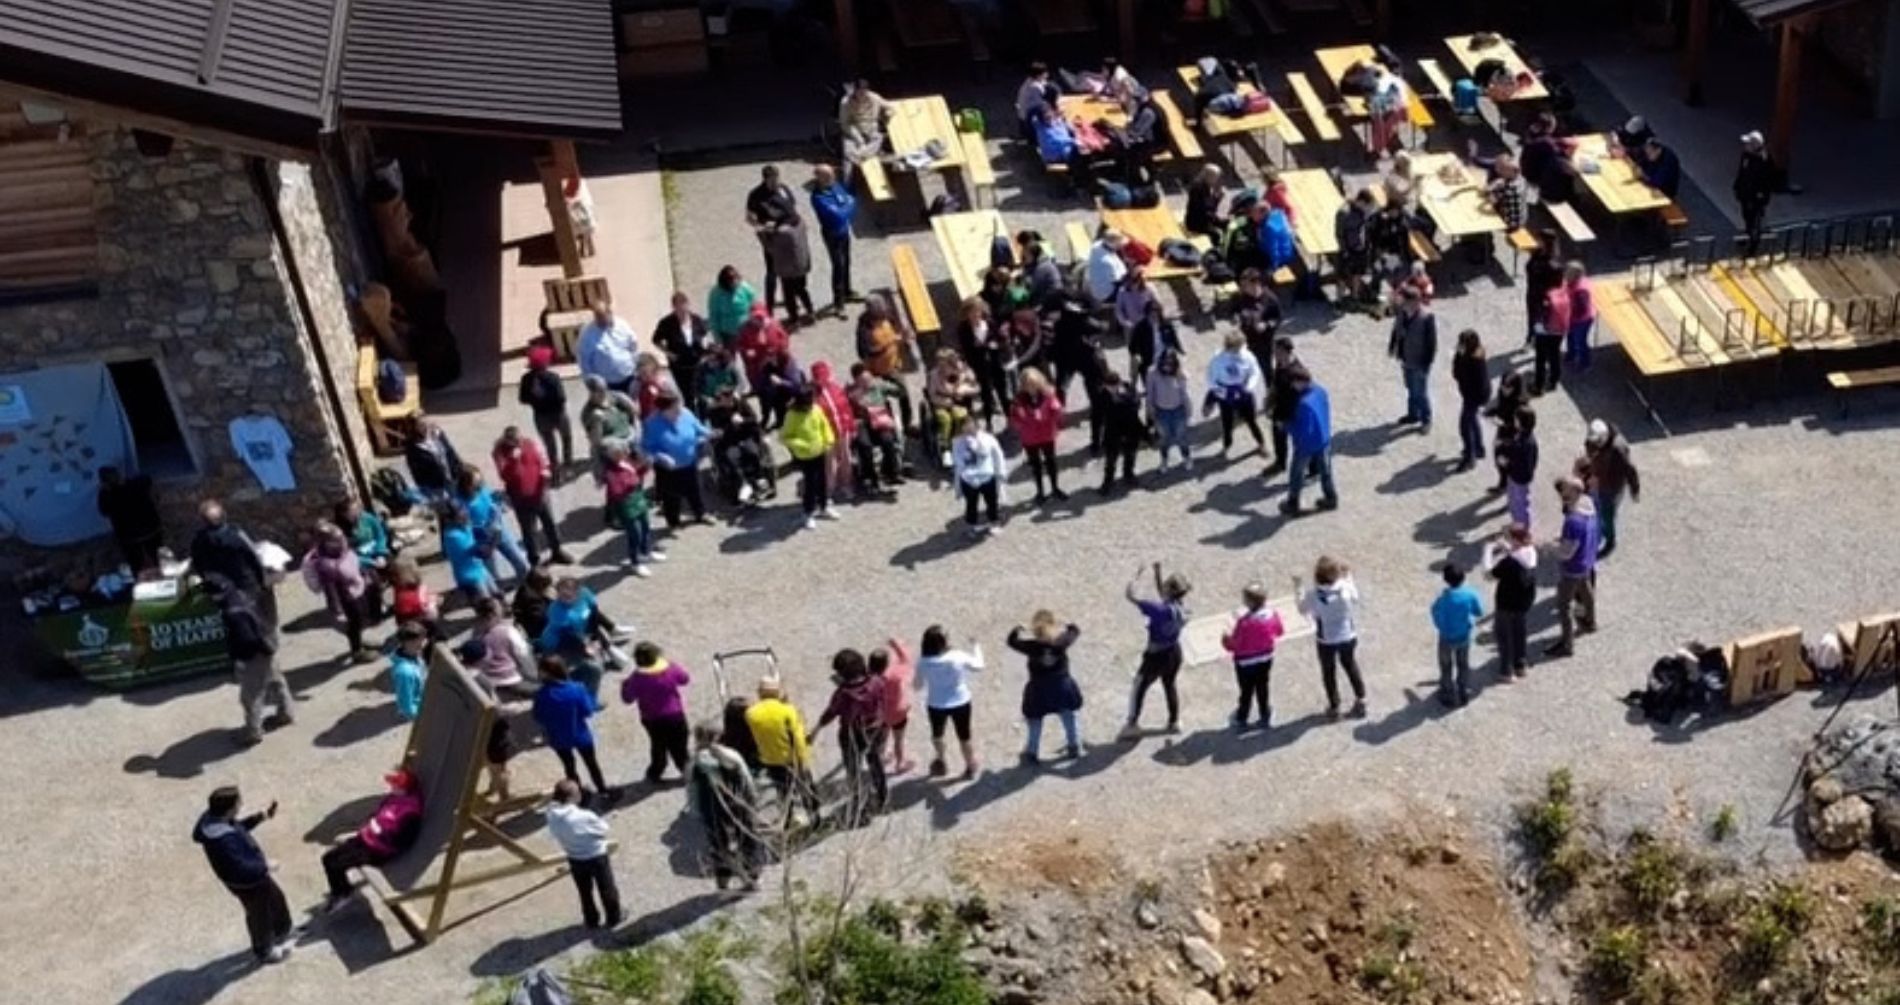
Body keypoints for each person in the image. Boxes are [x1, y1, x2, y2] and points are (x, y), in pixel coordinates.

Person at [192, 786, 293, 963]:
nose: (241, 805)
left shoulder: (216, 819)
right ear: (229, 809)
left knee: (277, 899)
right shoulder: (223, 841)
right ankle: (264, 950)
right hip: (247, 883)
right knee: (259, 916)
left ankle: (283, 931)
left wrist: (260, 817)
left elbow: (238, 828)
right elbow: (239, 867)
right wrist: (265, 866)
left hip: (256, 878)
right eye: (238, 802)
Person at [318, 768, 423, 911]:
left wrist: (383, 837)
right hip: (367, 838)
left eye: (396, 786)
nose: (392, 787)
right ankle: (341, 890)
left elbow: (405, 840)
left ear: (404, 789)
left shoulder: (410, 813)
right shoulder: (393, 798)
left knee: (336, 865)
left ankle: (343, 894)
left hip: (379, 850)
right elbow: (378, 814)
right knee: (328, 858)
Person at [810, 648, 889, 826]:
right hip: (875, 731)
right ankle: (882, 796)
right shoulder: (877, 682)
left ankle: (861, 809)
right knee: (876, 763)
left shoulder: (843, 694)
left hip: (851, 735)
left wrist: (816, 730)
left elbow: (831, 713)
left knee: (853, 771)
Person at [209, 574, 290, 745]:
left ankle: (252, 731)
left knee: (251, 695)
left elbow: (246, 639)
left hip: (255, 653)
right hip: (268, 641)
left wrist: (241, 657)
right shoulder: (243, 596)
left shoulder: (231, 612)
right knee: (275, 680)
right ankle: (285, 713)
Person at [688, 720, 762, 891]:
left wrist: (696, 811)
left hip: (714, 808)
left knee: (720, 844)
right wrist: (753, 798)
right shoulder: (726, 756)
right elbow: (744, 775)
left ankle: (726, 878)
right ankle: (750, 875)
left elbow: (692, 790)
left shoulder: (697, 762)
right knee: (745, 838)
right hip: (734, 804)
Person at [1121, 563, 1189, 738]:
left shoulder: (1157, 609)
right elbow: (1164, 596)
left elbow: (1131, 596)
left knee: (1139, 686)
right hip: (1174, 652)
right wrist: (1158, 574)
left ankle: (1132, 724)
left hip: (1155, 656)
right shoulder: (1179, 608)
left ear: (1170, 590)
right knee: (1169, 684)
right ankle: (1174, 721)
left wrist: (1134, 578)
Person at [1008, 611, 1083, 764]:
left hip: (1038, 689)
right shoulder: (1061, 643)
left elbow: (1012, 642)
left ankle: (1032, 752)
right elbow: (1075, 631)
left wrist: (1016, 630)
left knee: (1035, 721)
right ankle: (1073, 746)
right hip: (1061, 685)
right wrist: (1067, 624)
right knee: (1068, 716)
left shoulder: (1031, 647)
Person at [1296, 556, 1366, 720]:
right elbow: (1355, 597)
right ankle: (1361, 699)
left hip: (1326, 639)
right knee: (1350, 666)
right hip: (1347, 635)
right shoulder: (1345, 589)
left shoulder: (1314, 595)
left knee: (1329, 672)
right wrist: (1348, 576)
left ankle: (1334, 707)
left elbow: (1302, 609)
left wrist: (1298, 588)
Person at [545, 779, 621, 928]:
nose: (580, 794)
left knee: (585, 892)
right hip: (595, 856)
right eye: (577, 792)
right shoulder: (584, 816)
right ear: (570, 797)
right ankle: (613, 917)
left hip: (574, 857)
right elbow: (603, 830)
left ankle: (591, 919)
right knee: (606, 887)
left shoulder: (552, 815)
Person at [191, 499, 275, 632]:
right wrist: (261, 580)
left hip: (220, 588)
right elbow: (253, 557)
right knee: (254, 614)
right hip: (245, 584)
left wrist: (208, 583)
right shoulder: (235, 534)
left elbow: (198, 565)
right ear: (224, 515)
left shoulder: (199, 541)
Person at [912, 625, 984, 779]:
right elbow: (979, 666)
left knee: (937, 735)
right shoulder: (957, 656)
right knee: (964, 737)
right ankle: (970, 765)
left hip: (936, 704)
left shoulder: (923, 661)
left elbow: (917, 686)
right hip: (961, 701)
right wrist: (976, 646)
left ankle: (941, 760)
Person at [494, 426, 572, 567]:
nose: (519, 443)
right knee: (529, 531)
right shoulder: (500, 452)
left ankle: (557, 550)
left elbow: (542, 458)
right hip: (521, 498)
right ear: (507, 440)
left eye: (520, 440)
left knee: (550, 523)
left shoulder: (529, 442)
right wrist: (513, 460)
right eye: (515, 442)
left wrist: (545, 470)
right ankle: (535, 561)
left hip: (540, 492)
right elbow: (504, 475)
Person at [534, 654, 610, 795]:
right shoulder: (577, 688)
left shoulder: (541, 695)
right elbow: (588, 711)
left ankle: (577, 794)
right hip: (580, 734)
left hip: (558, 738)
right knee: (592, 763)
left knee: (569, 766)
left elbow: (539, 717)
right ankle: (602, 789)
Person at [745, 677, 819, 819]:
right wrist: (802, 760)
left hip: (770, 759)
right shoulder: (787, 710)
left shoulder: (751, 713)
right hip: (791, 758)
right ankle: (813, 815)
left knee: (783, 790)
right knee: (805, 787)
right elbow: (798, 739)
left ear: (760, 693)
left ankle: (788, 817)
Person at [301, 521, 374, 662]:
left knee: (361, 620)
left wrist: (364, 575)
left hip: (357, 589)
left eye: (341, 537)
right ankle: (357, 651)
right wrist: (338, 610)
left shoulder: (341, 550)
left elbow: (354, 561)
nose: (342, 541)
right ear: (326, 543)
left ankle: (359, 640)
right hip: (347, 598)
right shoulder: (325, 564)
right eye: (337, 540)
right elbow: (331, 590)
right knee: (354, 622)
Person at [621, 641, 691, 784]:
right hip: (675, 716)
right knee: (681, 749)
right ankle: (688, 773)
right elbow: (685, 679)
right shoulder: (670, 669)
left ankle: (655, 773)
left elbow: (627, 699)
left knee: (658, 747)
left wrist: (624, 685)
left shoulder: (637, 678)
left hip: (653, 720)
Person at [1545, 476, 1600, 659]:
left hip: (1573, 566)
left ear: (1576, 493)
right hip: (1587, 558)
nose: (1563, 496)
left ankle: (1567, 644)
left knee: (1563, 605)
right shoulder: (1588, 504)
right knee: (1585, 589)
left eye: (1566, 494)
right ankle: (1590, 621)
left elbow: (1566, 552)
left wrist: (1549, 548)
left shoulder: (1573, 521)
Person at [640, 392, 710, 530]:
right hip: (668, 468)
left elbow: (698, 427)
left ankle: (700, 514)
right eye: (675, 409)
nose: (679, 412)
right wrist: (661, 457)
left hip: (690, 463)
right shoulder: (652, 424)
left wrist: (708, 433)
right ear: (662, 410)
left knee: (694, 490)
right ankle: (673, 522)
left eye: (679, 407)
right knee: (671, 496)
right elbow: (647, 448)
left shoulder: (685, 413)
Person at [1222, 583, 1284, 731]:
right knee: (1262, 686)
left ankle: (1242, 717)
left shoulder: (1244, 623)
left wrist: (1225, 640)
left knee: (1246, 690)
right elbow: (1280, 631)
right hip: (1265, 659)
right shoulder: (1272, 615)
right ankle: (1265, 714)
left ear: (1249, 602)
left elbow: (1235, 644)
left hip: (1245, 663)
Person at [455, 466, 530, 586]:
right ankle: (498, 593)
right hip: (482, 541)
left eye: (480, 481)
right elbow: (465, 527)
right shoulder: (460, 503)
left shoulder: (482, 490)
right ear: (466, 485)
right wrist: (483, 538)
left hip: (498, 532)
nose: (480, 485)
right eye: (476, 483)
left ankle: (525, 585)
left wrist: (499, 508)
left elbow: (492, 504)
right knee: (491, 575)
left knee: (522, 564)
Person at [780, 387, 839, 530]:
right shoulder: (792, 415)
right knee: (810, 484)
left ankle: (824, 506)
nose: (811, 404)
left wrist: (829, 440)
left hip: (820, 451)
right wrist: (802, 445)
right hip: (805, 456)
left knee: (822, 480)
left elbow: (824, 425)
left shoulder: (816, 409)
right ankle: (808, 513)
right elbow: (785, 437)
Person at [1484, 524, 1538, 678]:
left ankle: (1506, 671)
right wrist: (1506, 547)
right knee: (1519, 632)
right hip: (1524, 601)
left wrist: (1488, 550)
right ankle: (1520, 664)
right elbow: (1518, 552)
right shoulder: (1531, 553)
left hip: (1506, 602)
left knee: (1504, 635)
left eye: (1507, 537)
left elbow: (1489, 574)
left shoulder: (1508, 563)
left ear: (1515, 540)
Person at [1281, 373, 1338, 516]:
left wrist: (1285, 426)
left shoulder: (1302, 404)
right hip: (1323, 439)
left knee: (1297, 473)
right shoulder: (1320, 391)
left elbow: (1303, 429)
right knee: (1326, 472)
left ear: (1299, 382)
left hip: (1306, 446)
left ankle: (1293, 503)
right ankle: (1331, 497)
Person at [707, 386, 776, 504]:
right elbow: (718, 430)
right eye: (725, 399)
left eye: (730, 398)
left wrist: (743, 421)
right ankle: (743, 483)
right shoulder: (715, 412)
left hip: (745, 436)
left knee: (753, 452)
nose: (728, 401)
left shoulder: (741, 404)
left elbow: (753, 419)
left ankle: (759, 479)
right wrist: (730, 423)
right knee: (733, 458)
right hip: (729, 440)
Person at [745, 165, 800, 312]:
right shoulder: (756, 195)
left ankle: (790, 300)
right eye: (772, 179)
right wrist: (760, 225)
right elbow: (750, 218)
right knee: (772, 271)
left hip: (790, 235)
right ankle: (770, 305)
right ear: (765, 179)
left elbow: (793, 207)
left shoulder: (783, 189)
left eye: (777, 178)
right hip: (772, 238)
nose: (776, 182)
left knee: (790, 270)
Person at [1431, 563, 1486, 707]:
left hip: (1446, 636)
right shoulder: (1470, 594)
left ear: (1445, 579)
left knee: (1446, 665)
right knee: (1463, 663)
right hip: (1464, 635)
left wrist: (1439, 625)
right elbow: (1479, 611)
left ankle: (1447, 693)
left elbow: (1434, 611)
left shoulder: (1444, 598)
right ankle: (1464, 691)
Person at [601, 442, 660, 576]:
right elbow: (617, 490)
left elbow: (636, 474)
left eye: (622, 452)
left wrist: (646, 467)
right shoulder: (611, 471)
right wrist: (632, 482)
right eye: (617, 453)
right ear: (611, 456)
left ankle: (646, 553)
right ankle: (635, 562)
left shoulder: (626, 463)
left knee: (645, 527)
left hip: (638, 500)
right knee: (635, 535)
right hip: (626, 506)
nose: (623, 454)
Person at [1585, 419, 1641, 558]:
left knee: (1607, 514)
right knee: (1598, 508)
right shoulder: (1595, 440)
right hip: (1600, 481)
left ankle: (1610, 542)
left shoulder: (1618, 448)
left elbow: (1630, 470)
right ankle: (1600, 529)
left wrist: (1635, 489)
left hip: (1612, 487)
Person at [1010, 367, 1066, 504]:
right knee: (1036, 465)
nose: (1031, 387)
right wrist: (1024, 420)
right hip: (1030, 437)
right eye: (1028, 384)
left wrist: (1055, 413)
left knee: (1051, 462)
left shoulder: (1047, 394)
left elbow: (1056, 409)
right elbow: (1015, 419)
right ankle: (1040, 491)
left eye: (1034, 384)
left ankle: (1055, 488)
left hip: (1047, 433)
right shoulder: (1019, 399)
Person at [652, 291, 712, 417]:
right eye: (678, 309)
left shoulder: (696, 320)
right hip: (680, 366)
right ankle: (692, 417)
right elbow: (656, 340)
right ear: (673, 308)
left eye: (684, 308)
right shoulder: (667, 323)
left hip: (697, 362)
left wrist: (705, 350)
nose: (682, 312)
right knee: (687, 394)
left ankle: (704, 417)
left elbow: (704, 334)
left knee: (701, 392)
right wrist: (668, 353)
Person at [1206, 332, 1266, 455]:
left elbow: (1255, 372)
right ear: (1229, 346)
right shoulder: (1218, 359)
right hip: (1226, 395)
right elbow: (1211, 378)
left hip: (1244, 392)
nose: (1241, 349)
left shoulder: (1247, 355)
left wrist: (1249, 387)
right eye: (1237, 347)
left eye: (1241, 346)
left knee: (1251, 421)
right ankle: (1227, 446)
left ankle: (1261, 444)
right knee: (1227, 423)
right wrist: (1222, 391)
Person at [956, 298, 1011, 429]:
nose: (975, 315)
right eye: (972, 312)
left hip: (995, 361)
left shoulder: (989, 323)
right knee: (985, 393)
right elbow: (965, 348)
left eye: (978, 311)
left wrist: (997, 343)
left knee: (1002, 391)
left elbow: (1000, 340)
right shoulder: (963, 328)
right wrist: (976, 347)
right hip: (979, 365)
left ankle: (1010, 419)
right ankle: (988, 422)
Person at [810, 164, 858, 313]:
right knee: (838, 266)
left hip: (844, 231)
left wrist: (846, 206)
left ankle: (847, 291)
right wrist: (847, 206)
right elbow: (839, 215)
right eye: (830, 176)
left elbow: (851, 201)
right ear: (821, 178)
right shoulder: (818, 197)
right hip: (832, 234)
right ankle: (838, 303)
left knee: (847, 261)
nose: (834, 178)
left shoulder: (835, 186)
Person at [518, 344, 573, 472]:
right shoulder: (553, 377)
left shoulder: (526, 379)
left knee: (549, 444)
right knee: (566, 438)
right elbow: (561, 397)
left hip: (540, 416)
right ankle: (568, 463)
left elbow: (522, 399)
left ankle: (555, 468)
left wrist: (536, 401)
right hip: (559, 414)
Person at [1388, 288, 1438, 429]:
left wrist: (1426, 364)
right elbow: (1396, 329)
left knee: (1420, 392)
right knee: (1410, 388)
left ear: (1414, 302)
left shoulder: (1427, 318)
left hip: (1419, 361)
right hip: (1406, 358)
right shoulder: (1402, 313)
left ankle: (1426, 419)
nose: (1402, 304)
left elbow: (1431, 344)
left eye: (1405, 301)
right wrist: (1392, 346)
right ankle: (1412, 415)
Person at [951, 413, 1007, 536]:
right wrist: (965, 465)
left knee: (992, 502)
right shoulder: (957, 442)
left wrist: (1001, 472)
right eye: (964, 426)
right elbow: (957, 459)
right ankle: (972, 525)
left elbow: (994, 454)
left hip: (987, 475)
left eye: (970, 425)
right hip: (969, 479)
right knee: (971, 504)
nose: (967, 428)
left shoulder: (987, 438)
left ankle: (994, 522)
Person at [97, 466, 163, 571]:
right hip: (151, 529)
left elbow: (104, 511)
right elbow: (147, 479)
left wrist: (104, 490)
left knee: (137, 565)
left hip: (129, 537)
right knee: (159, 559)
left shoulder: (107, 496)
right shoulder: (136, 484)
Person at [810, 361, 859, 501]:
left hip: (842, 430)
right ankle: (829, 489)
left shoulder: (836, 388)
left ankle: (846, 485)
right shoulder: (813, 396)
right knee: (829, 464)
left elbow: (847, 409)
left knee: (846, 458)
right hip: (826, 435)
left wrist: (851, 427)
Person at [579, 375, 639, 486]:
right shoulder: (588, 412)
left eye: (604, 389)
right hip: (614, 447)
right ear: (591, 392)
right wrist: (597, 421)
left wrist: (630, 404)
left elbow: (634, 413)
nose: (604, 393)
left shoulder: (615, 397)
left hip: (630, 436)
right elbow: (596, 441)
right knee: (621, 479)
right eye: (599, 391)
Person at [468, 596, 534, 694]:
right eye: (499, 609)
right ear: (493, 614)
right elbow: (523, 654)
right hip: (508, 678)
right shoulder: (508, 631)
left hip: (487, 677)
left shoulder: (476, 632)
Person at [1263, 336, 1308, 476]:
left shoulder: (1298, 372)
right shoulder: (1280, 363)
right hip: (1279, 409)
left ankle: (1313, 467)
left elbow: (1305, 392)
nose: (1274, 354)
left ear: (1285, 351)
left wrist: (1288, 417)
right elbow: (1276, 383)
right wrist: (1270, 399)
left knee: (1301, 442)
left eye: (1277, 351)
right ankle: (1280, 463)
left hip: (1293, 413)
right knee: (1278, 439)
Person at [1096, 370, 1144, 495]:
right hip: (1113, 431)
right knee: (1111, 458)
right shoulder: (1102, 395)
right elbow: (1098, 415)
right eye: (1109, 386)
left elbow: (1137, 403)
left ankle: (1128, 474)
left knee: (1130, 454)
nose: (1112, 389)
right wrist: (1097, 437)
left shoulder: (1128, 388)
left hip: (1130, 428)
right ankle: (1108, 481)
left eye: (1114, 385)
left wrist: (1122, 399)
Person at [577, 300, 640, 395]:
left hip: (629, 376)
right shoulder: (587, 334)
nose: (600, 321)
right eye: (597, 317)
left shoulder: (622, 325)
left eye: (603, 317)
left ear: (610, 313)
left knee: (635, 407)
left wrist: (637, 368)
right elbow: (584, 360)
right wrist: (591, 382)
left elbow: (633, 345)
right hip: (607, 384)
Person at [870, 640, 914, 774]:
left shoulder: (869, 678)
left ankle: (882, 756)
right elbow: (906, 659)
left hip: (880, 714)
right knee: (898, 739)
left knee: (883, 734)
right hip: (897, 712)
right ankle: (900, 763)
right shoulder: (895, 674)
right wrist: (896, 645)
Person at [766, 213, 816, 326]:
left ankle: (794, 318)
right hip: (802, 264)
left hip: (788, 269)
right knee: (802, 289)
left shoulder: (782, 233)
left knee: (789, 294)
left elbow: (770, 248)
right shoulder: (800, 224)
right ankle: (810, 311)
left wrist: (764, 234)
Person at [1734, 130, 1779, 255]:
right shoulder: (1746, 155)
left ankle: (1753, 244)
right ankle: (1747, 234)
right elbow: (1742, 172)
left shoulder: (1764, 161)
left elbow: (1768, 181)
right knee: (1746, 217)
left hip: (1755, 198)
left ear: (1755, 146)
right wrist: (1737, 186)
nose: (1745, 146)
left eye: (1748, 143)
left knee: (1754, 221)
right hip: (1745, 193)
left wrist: (1760, 196)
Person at [1452, 330, 1491, 472]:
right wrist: (1458, 356)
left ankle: (1470, 457)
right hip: (1470, 395)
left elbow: (1460, 374)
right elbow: (1456, 373)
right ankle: (1479, 448)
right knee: (1472, 421)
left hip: (1473, 397)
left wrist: (1458, 358)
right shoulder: (1467, 356)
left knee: (1465, 426)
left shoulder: (1475, 361)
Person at [1148, 349, 1192, 472]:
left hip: (1178, 411)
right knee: (1164, 439)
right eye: (1165, 361)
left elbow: (1184, 394)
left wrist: (1189, 412)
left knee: (1181, 437)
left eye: (1170, 361)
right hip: (1161, 412)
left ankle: (1186, 457)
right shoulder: (1153, 373)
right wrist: (1151, 413)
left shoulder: (1179, 373)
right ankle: (1164, 460)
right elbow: (1150, 394)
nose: (1167, 364)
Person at [838, 79, 892, 177]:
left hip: (871, 129)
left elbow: (890, 106)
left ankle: (859, 157)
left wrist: (888, 113)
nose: (862, 95)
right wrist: (859, 140)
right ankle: (847, 183)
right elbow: (845, 124)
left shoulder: (874, 97)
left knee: (878, 138)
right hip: (853, 131)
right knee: (847, 158)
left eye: (864, 91)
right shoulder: (845, 102)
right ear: (855, 91)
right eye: (859, 92)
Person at [1497, 406, 1539, 531]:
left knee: (1519, 504)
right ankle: (1517, 523)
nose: (1514, 421)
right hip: (1517, 476)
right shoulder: (1525, 436)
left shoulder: (1525, 443)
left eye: (1516, 419)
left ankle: (1522, 530)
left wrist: (1505, 462)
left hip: (1519, 478)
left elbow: (1518, 459)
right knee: (1514, 500)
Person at [404, 419, 465, 504]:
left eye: (425, 423)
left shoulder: (437, 434)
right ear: (413, 428)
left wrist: (459, 466)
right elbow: (415, 470)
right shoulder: (413, 447)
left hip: (452, 476)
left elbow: (450, 450)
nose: (424, 427)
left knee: (460, 503)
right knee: (444, 508)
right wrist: (426, 487)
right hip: (436, 486)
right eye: (420, 425)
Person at [1127, 298, 1180, 388]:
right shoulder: (1140, 327)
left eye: (1157, 311)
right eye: (1152, 311)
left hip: (1165, 359)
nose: (1154, 314)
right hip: (1148, 361)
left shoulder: (1166, 324)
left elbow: (1173, 340)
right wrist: (1137, 356)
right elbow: (1132, 347)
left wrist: (1173, 349)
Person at [1334, 190, 1375, 305]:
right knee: (1342, 275)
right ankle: (1339, 300)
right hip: (1347, 249)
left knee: (1358, 273)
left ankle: (1355, 297)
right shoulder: (1344, 212)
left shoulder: (1363, 213)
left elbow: (1366, 229)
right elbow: (1339, 234)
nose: (1368, 208)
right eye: (1367, 205)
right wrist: (1344, 250)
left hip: (1360, 248)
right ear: (1361, 202)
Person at [707, 265, 758, 346]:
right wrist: (717, 338)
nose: (735, 285)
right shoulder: (716, 293)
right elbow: (713, 316)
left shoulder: (745, 288)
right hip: (728, 334)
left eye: (736, 282)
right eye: (732, 284)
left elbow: (756, 307)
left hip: (746, 331)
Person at [1561, 262, 1597, 373]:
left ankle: (1585, 363)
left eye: (1567, 272)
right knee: (1571, 336)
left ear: (1574, 274)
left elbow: (1582, 309)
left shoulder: (1581, 290)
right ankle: (1571, 355)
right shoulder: (1573, 282)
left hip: (1582, 320)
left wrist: (1569, 314)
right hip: (1574, 318)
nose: (1564, 274)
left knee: (1580, 341)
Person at [388, 621, 428, 720]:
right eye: (418, 643)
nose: (422, 645)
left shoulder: (413, 653)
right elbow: (406, 706)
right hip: (419, 710)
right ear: (406, 643)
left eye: (422, 641)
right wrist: (420, 715)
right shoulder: (405, 673)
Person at [1084, 229, 1128, 304]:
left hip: (1096, 285)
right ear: (1113, 245)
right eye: (1119, 245)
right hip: (1106, 294)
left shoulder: (1097, 246)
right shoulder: (1108, 263)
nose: (1121, 246)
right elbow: (1120, 280)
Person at [511, 566, 553, 642]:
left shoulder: (523, 589)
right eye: (546, 587)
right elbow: (542, 619)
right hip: (535, 633)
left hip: (522, 620)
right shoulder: (535, 602)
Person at [1184, 164, 1226, 240]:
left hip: (1202, 218)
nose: (1217, 180)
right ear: (1209, 176)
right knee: (1216, 235)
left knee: (1225, 224)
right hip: (1195, 223)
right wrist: (1217, 198)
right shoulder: (1199, 188)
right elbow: (1209, 210)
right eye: (1216, 178)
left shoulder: (1203, 184)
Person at [1016, 61, 1059, 131]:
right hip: (1028, 117)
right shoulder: (1035, 88)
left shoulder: (1030, 80)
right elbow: (1041, 106)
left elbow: (1045, 83)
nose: (1047, 75)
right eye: (1045, 73)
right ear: (1038, 75)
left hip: (1025, 113)